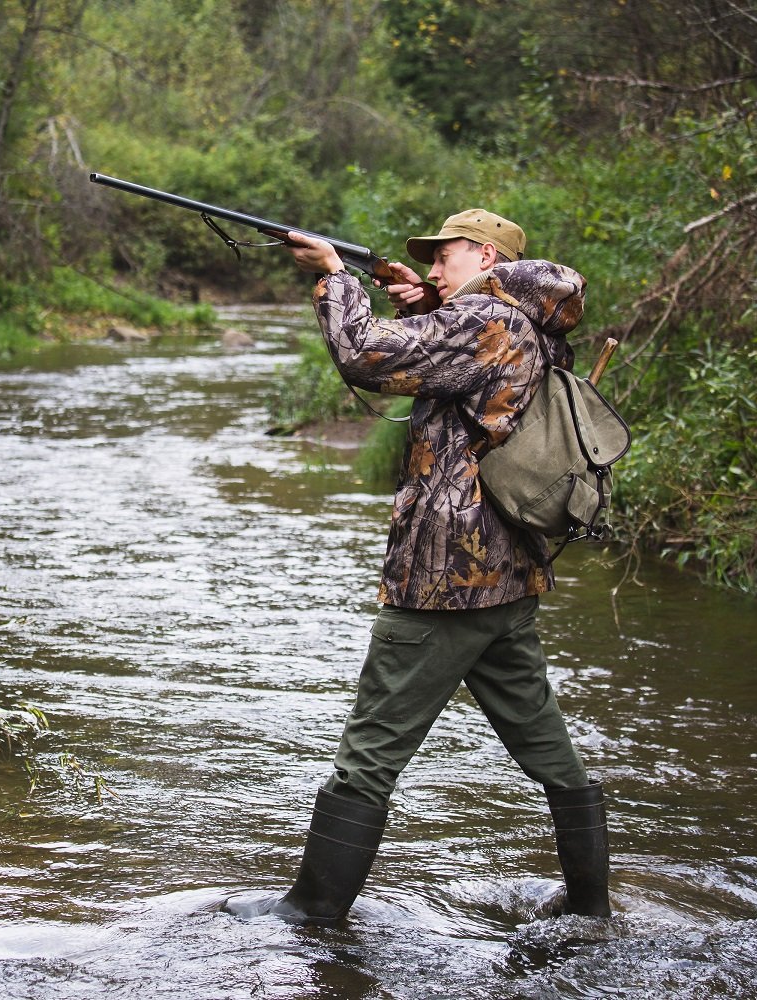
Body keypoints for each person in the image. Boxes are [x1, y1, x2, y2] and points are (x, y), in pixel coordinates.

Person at [224, 209, 610, 926]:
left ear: (487, 254)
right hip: (504, 576)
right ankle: (590, 906)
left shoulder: (484, 322)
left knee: (370, 750)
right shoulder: (524, 324)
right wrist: (430, 301)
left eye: (444, 258)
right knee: (548, 749)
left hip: (445, 580)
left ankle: (309, 911)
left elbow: (365, 355)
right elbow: (464, 366)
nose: (432, 269)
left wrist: (335, 277)